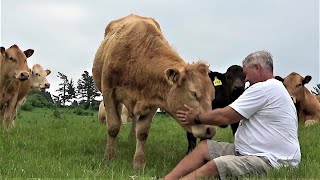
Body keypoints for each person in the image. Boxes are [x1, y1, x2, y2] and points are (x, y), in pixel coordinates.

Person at [164, 50, 301, 180]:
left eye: (246, 74)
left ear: (257, 68)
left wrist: (197, 117)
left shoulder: (264, 88)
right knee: (204, 146)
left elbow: (226, 117)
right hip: (251, 152)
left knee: (218, 165)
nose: (246, 79)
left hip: (272, 160)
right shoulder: (275, 88)